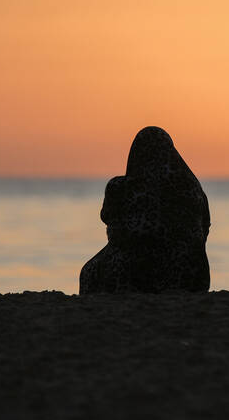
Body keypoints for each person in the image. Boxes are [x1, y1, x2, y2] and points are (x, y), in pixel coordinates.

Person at [79, 126, 211, 294]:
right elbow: (204, 229)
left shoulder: (122, 187)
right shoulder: (193, 188)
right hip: (193, 276)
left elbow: (108, 219)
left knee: (90, 271)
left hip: (139, 273)